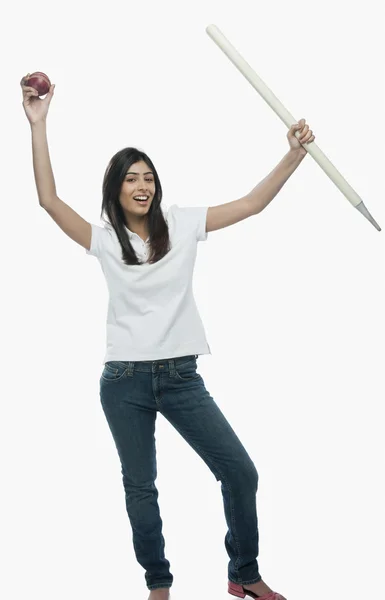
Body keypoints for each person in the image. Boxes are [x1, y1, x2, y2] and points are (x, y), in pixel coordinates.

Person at [21, 74, 315, 600]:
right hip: (124, 382)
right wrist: (38, 125)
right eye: (132, 177)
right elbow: (48, 198)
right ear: (116, 187)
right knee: (141, 489)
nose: (142, 185)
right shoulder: (103, 240)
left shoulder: (181, 225)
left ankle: (243, 573)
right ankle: (159, 585)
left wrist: (292, 155)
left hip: (181, 378)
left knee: (240, 472)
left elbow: (251, 204)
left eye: (149, 177)